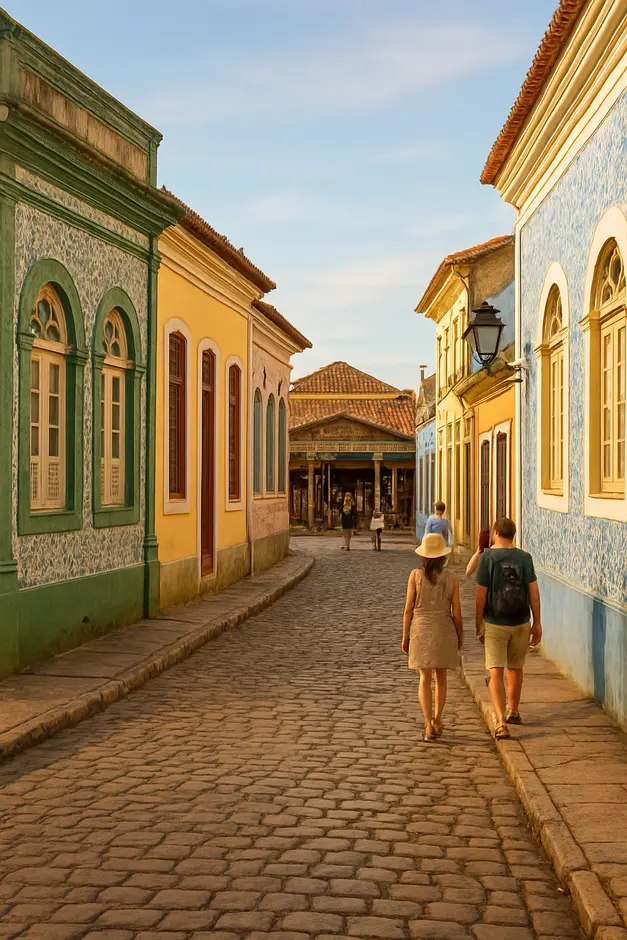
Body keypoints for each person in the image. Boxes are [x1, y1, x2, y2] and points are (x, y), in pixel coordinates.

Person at [475, 517, 542, 739]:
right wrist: (537, 622)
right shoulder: (525, 558)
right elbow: (533, 591)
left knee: (496, 671)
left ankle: (501, 723)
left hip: (495, 622)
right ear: (514, 534)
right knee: (516, 668)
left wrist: (478, 621)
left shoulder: (487, 558)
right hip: (521, 621)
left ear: (495, 533)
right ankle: (513, 710)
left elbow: (480, 595)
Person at [402, 533, 463, 742]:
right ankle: (438, 719)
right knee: (442, 678)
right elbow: (457, 613)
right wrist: (460, 636)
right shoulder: (453, 578)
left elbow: (408, 610)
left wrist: (405, 636)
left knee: (424, 679)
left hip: (420, 630)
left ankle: (428, 725)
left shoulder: (415, 576)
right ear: (443, 557)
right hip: (444, 630)